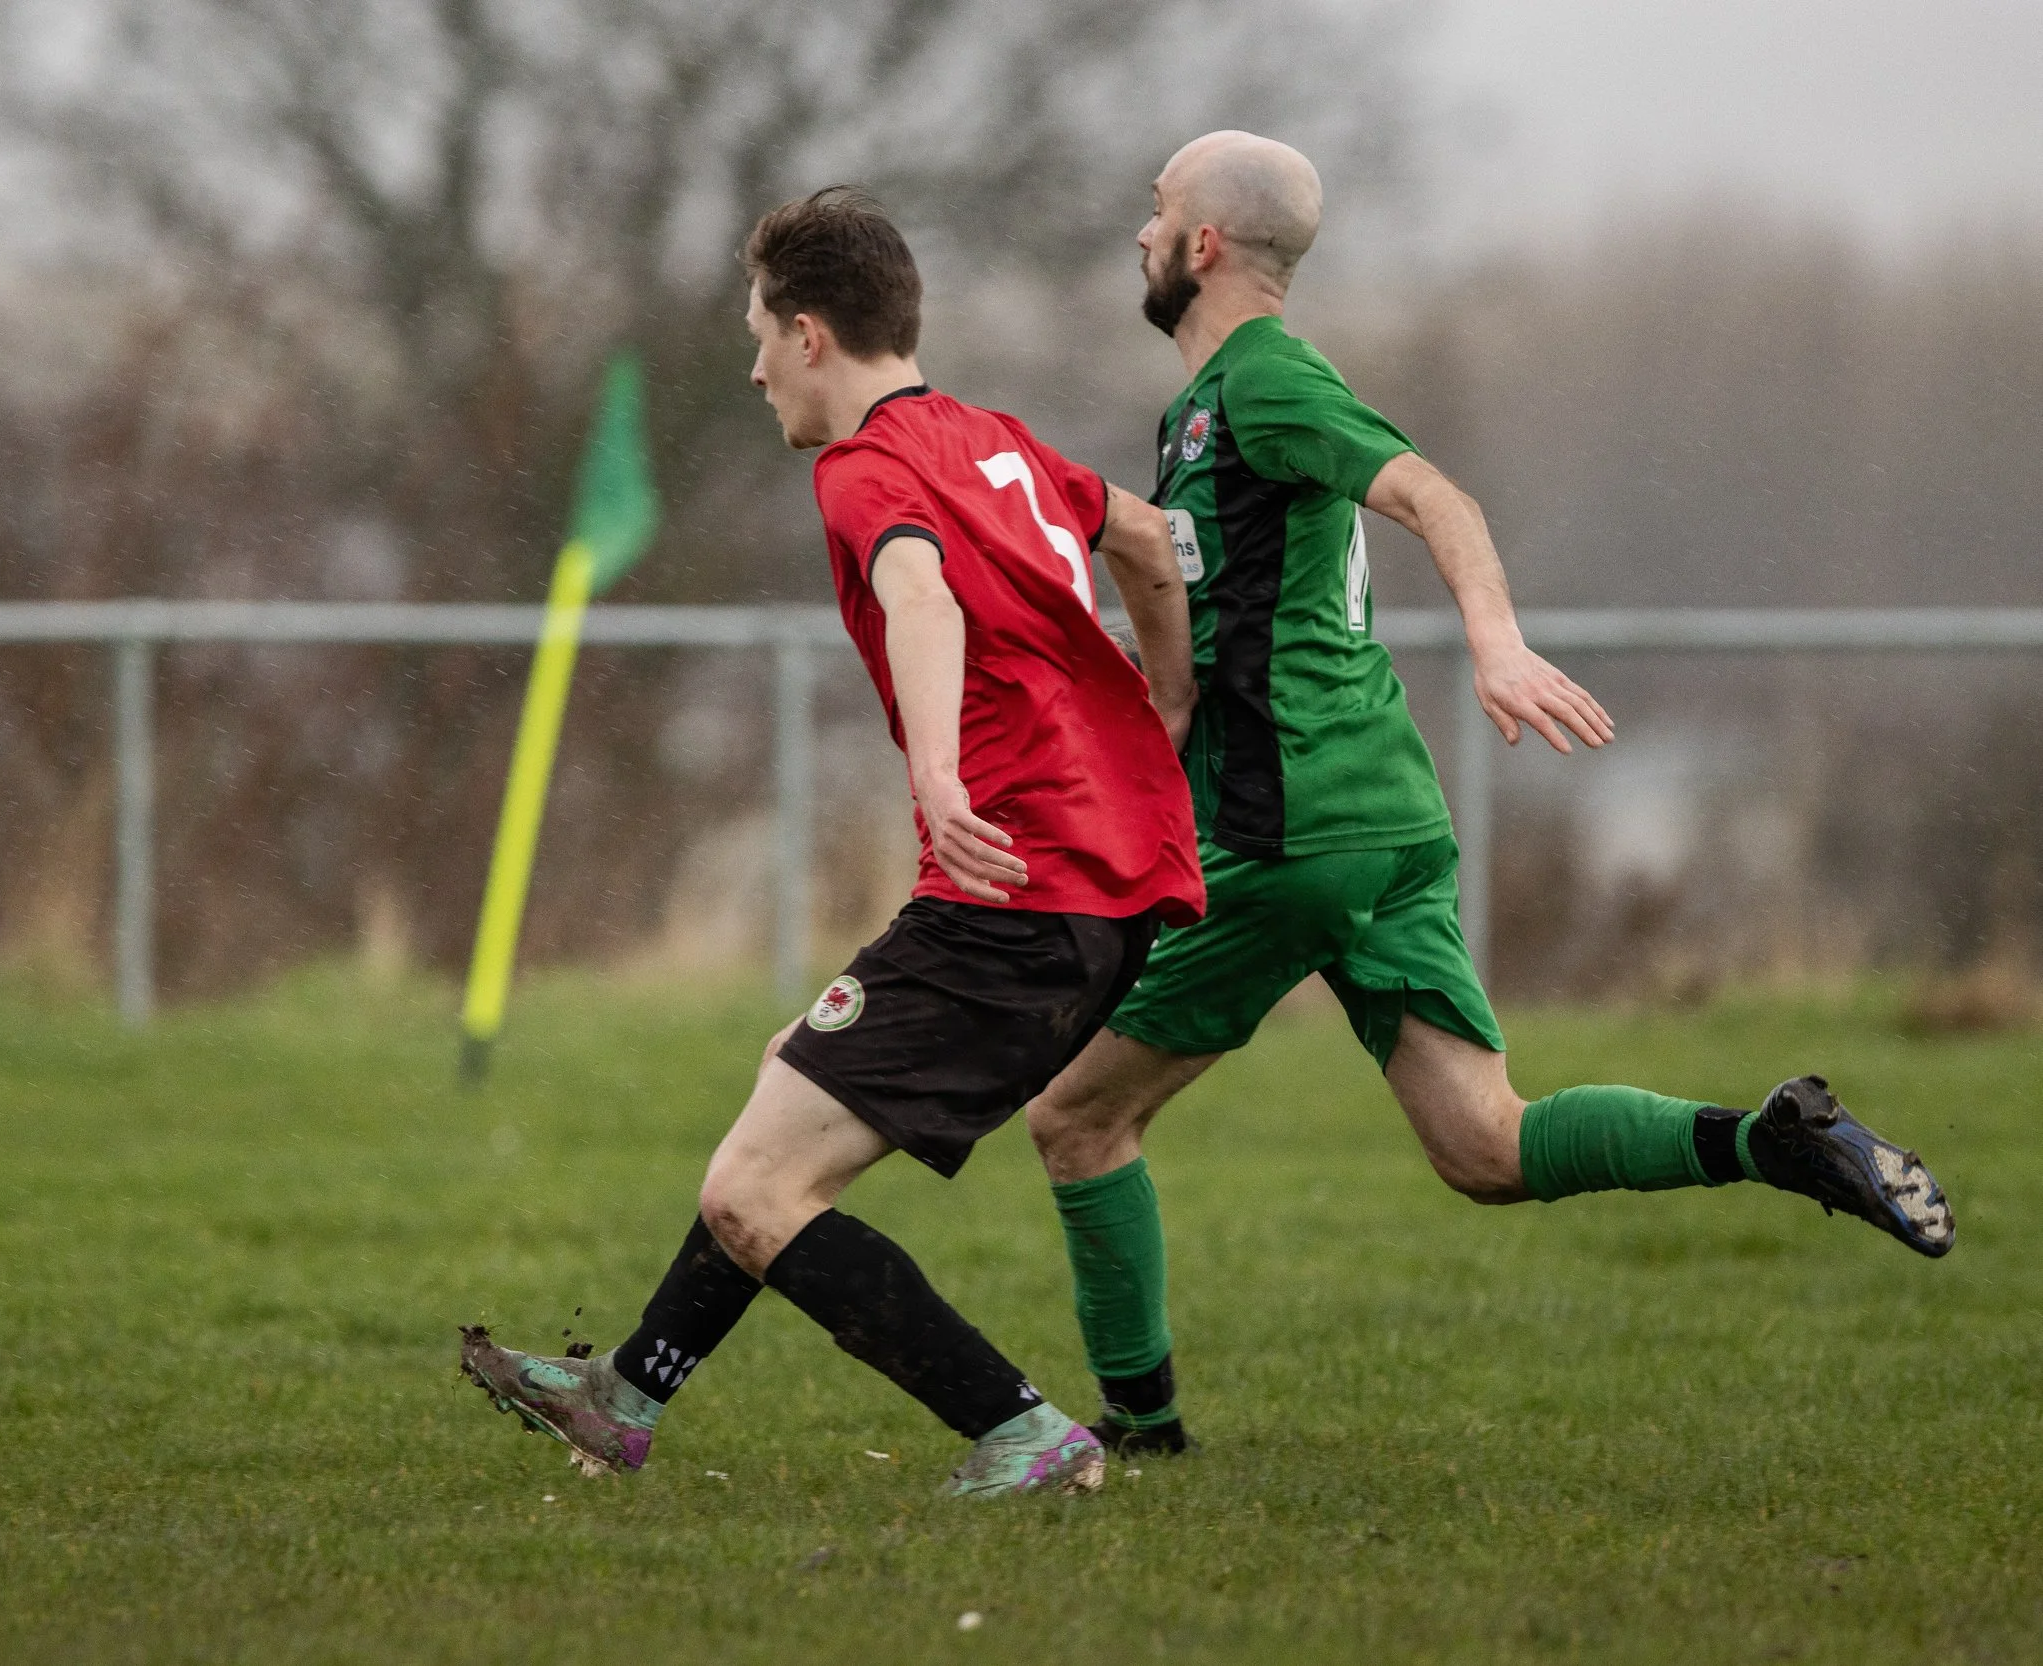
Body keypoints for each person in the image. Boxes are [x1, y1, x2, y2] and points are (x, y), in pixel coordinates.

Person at [1025, 132, 1957, 1459]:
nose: (1139, 231)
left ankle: (1143, 1430)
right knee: (1485, 1144)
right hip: (1385, 823)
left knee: (1077, 1110)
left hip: (1291, 831)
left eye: (1157, 211)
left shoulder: (1266, 383)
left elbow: (1431, 493)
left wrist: (1497, 639)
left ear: (1207, 246)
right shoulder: (1214, 405)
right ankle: (1773, 1138)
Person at [461, 186, 1208, 1497]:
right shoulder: (998, 442)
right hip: (1108, 884)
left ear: (811, 335)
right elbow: (1148, 537)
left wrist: (935, 763)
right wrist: (1171, 698)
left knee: (756, 1190)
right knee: (780, 1094)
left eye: (760, 335)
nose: (753, 368)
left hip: (1011, 892)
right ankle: (623, 1392)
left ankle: (1025, 1432)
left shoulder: (865, 469)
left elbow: (919, 593)